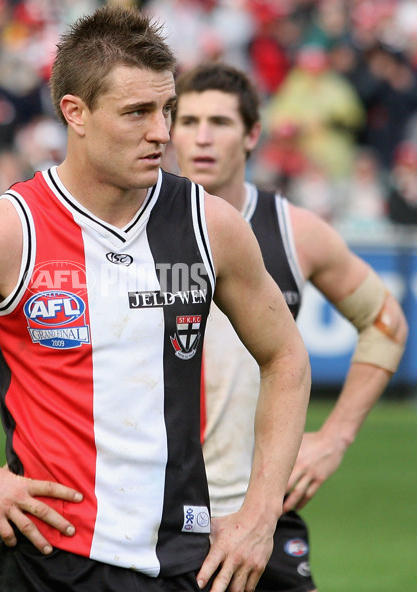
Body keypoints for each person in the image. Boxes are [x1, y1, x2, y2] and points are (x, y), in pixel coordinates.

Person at [0, 6, 311, 592]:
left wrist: (261, 515)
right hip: (42, 564)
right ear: (74, 113)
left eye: (166, 110)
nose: (162, 132)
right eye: (136, 113)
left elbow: (286, 357)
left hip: (183, 563)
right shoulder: (8, 233)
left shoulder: (211, 225)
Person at [170, 61, 408, 592]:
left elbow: (386, 321)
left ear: (252, 134)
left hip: (262, 510)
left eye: (221, 122)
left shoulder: (293, 231)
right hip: (157, 513)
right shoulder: (131, 228)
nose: (202, 137)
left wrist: (334, 438)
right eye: (188, 121)